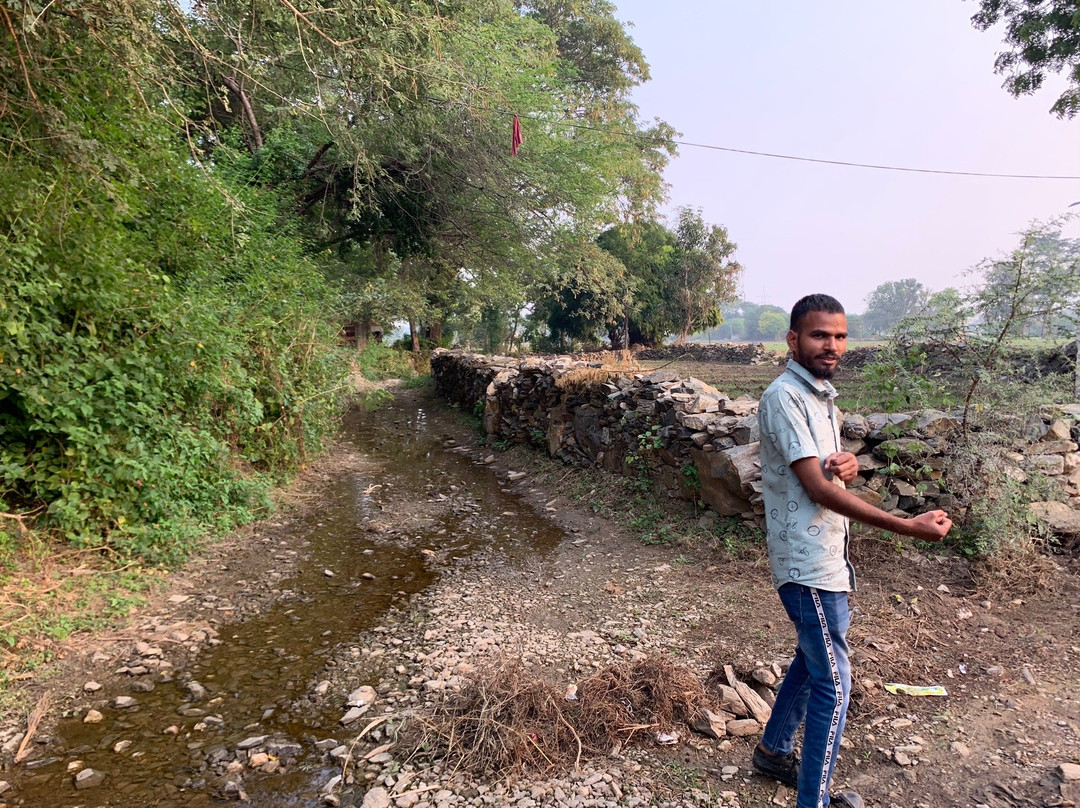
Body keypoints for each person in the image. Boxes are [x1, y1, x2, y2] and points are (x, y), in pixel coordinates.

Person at [751, 293, 952, 808]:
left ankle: (774, 752)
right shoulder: (786, 397)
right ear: (793, 339)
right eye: (820, 335)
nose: (832, 345)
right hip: (808, 562)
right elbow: (818, 492)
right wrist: (907, 525)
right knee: (834, 687)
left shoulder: (821, 395)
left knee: (813, 659)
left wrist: (848, 466)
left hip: (825, 557)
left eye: (840, 335)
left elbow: (824, 473)